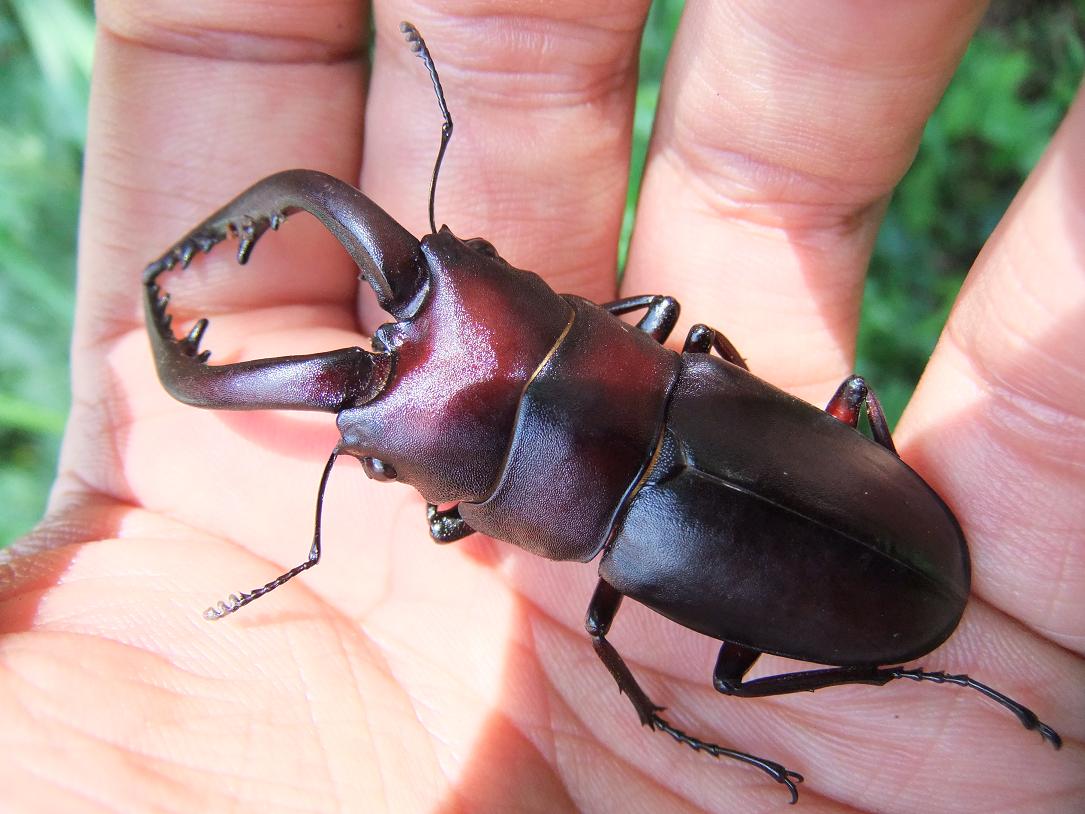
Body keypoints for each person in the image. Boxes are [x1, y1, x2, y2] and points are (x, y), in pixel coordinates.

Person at [2, 2, 1081, 810]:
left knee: (721, 674)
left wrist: (400, 447)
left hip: (768, 533)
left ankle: (853, 679)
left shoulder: (636, 481)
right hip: (747, 459)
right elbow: (672, 346)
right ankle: (900, 666)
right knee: (785, 423)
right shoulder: (686, 360)